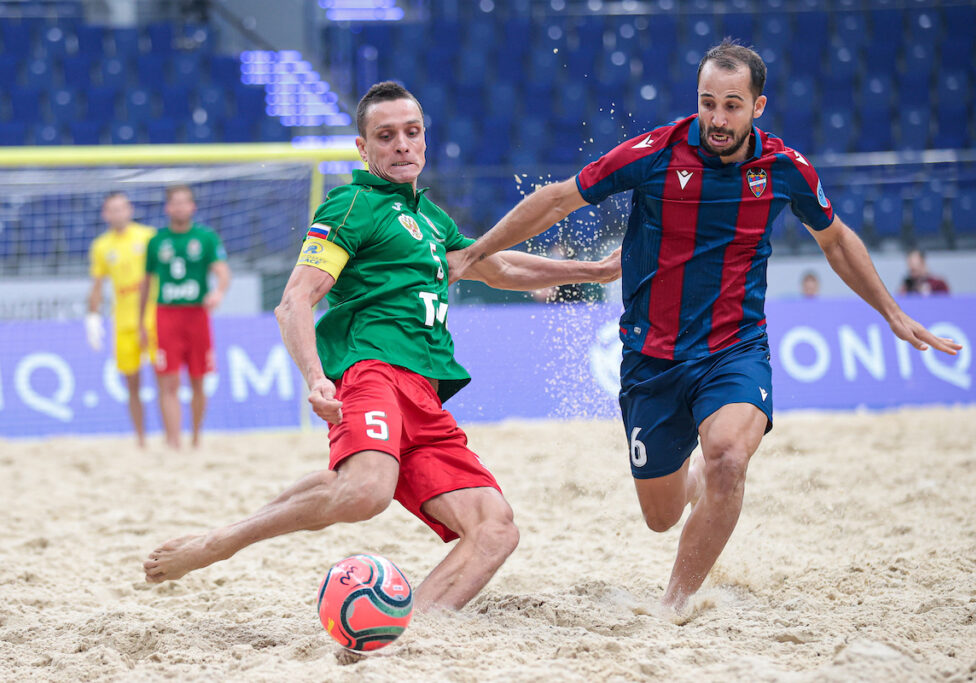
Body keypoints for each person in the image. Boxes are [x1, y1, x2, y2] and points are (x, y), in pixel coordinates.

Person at [449, 39, 962, 610]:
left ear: (758, 107)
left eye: (732, 105)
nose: (717, 119)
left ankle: (673, 605)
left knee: (728, 459)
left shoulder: (784, 169)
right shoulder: (654, 153)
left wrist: (891, 311)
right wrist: (475, 252)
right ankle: (687, 480)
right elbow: (558, 201)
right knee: (660, 516)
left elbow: (836, 239)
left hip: (734, 348)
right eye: (707, 103)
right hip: (652, 357)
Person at [142, 81, 621, 610]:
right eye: (386, 135)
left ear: (424, 139)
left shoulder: (432, 218)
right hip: (373, 372)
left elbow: (499, 267)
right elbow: (294, 300)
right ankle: (218, 543)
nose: (402, 145)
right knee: (365, 492)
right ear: (363, 148)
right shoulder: (352, 205)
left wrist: (596, 270)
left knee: (495, 529)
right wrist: (316, 378)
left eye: (412, 133)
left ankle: (402, 630)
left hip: (426, 393)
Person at [139, 185, 230, 449]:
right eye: (174, 203)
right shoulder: (156, 241)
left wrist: (218, 292)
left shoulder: (205, 238)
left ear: (193, 207)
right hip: (166, 314)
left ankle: (196, 437)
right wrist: (141, 322)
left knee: (198, 379)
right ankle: (173, 441)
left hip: (196, 315)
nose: (179, 208)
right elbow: (146, 283)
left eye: (184, 203)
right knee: (168, 379)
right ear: (168, 208)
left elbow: (223, 271)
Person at [85, 192, 157, 447]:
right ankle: (141, 440)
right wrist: (92, 319)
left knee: (165, 379)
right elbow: (97, 285)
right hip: (123, 321)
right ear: (106, 214)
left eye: (121, 208)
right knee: (132, 383)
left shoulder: (148, 236)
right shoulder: (101, 246)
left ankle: (171, 437)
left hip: (154, 317)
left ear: (130, 209)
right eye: (112, 210)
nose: (118, 213)